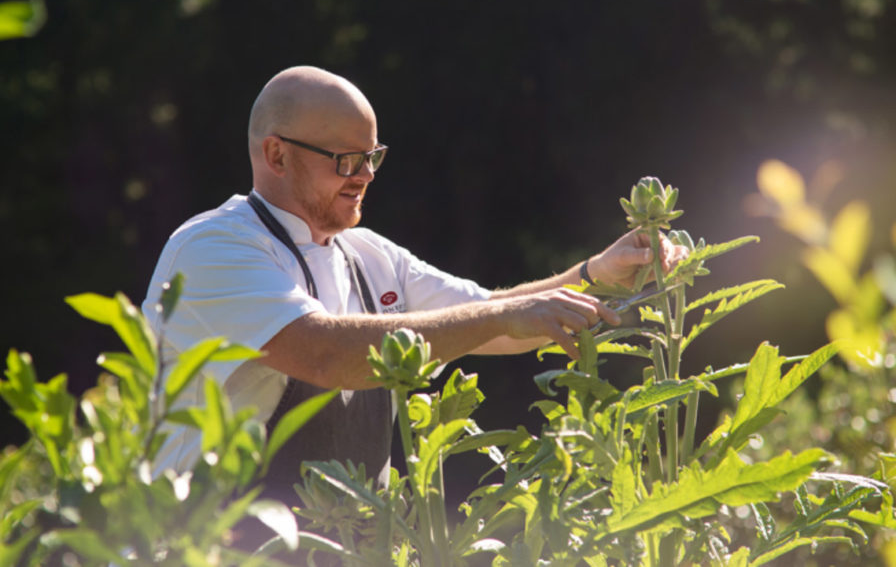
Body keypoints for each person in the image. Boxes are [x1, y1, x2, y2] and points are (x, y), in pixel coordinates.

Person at [141, 65, 683, 525]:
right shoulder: (214, 248)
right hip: (211, 546)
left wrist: (596, 273)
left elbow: (487, 315)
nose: (365, 177)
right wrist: (510, 314)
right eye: (345, 161)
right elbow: (323, 352)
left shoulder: (370, 256)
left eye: (372, 157)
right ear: (277, 155)